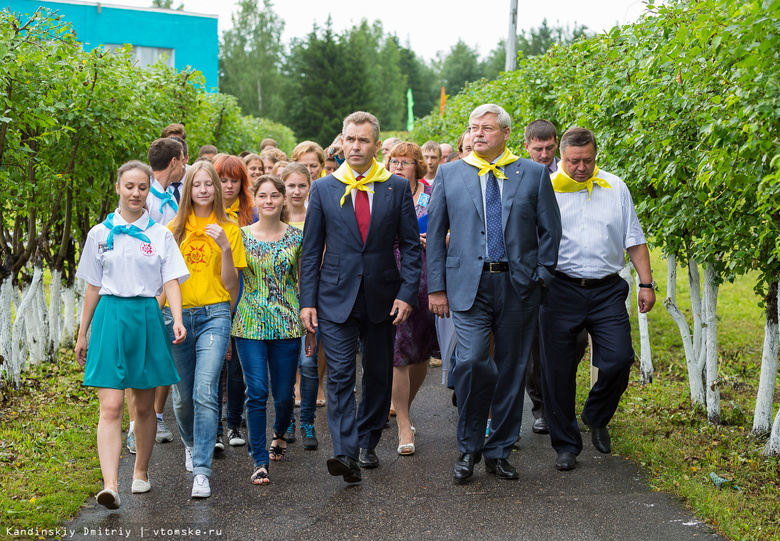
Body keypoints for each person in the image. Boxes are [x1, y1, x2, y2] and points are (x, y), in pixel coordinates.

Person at [427, 103, 561, 482]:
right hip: (468, 286)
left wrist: (542, 274)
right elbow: (435, 234)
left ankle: (499, 450)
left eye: (487, 128)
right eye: (473, 128)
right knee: (471, 362)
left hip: (519, 285)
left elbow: (551, 229)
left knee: (512, 369)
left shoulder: (532, 173)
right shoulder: (450, 174)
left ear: (504, 133)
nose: (478, 134)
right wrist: (436, 287)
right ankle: (469, 447)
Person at [300, 111, 421, 483]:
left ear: (375, 145)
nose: (355, 146)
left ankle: (368, 442)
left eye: (363, 140)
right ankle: (345, 452)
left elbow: (412, 248)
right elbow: (310, 249)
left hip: (384, 297)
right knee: (338, 375)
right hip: (335, 296)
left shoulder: (396, 187)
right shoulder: (323, 188)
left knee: (378, 373)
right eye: (350, 139)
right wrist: (308, 300)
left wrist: (406, 294)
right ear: (341, 140)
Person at [539, 127, 655, 472]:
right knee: (557, 371)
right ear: (561, 157)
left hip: (606, 288)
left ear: (595, 155)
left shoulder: (615, 187)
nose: (580, 167)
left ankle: (596, 414)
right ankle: (565, 445)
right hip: (559, 288)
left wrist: (646, 284)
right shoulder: (545, 188)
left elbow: (634, 238)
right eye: (573, 161)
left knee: (619, 358)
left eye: (587, 160)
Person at [75, 160, 188, 509]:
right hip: (110, 317)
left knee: (142, 407)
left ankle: (140, 470)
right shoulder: (98, 234)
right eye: (129, 186)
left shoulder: (160, 234)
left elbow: (170, 279)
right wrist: (83, 333)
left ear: (147, 190)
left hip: (146, 316)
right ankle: (111, 485)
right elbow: (93, 286)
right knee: (110, 406)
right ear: (118, 188)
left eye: (142, 187)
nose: (136, 193)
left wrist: (178, 318)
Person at [164, 160, 247, 499]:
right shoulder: (172, 230)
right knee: (183, 398)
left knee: (205, 390)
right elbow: (164, 281)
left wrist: (225, 248)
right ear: (188, 189)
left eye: (208, 184)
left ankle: (202, 470)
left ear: (216, 189)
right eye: (196, 184)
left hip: (215, 315)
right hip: (178, 317)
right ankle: (190, 442)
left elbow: (231, 286)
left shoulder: (229, 228)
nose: (202, 190)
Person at [232, 174, 313, 485]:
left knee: (282, 396)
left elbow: (305, 281)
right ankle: (259, 460)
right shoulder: (239, 236)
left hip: (287, 323)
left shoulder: (297, 237)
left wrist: (310, 326)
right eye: (262, 195)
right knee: (256, 392)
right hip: (249, 323)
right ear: (255, 199)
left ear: (282, 200)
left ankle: (280, 431)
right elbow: (231, 281)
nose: (268, 200)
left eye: (274, 195)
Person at [522, 119, 589, 436]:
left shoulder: (570, 176)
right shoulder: (520, 176)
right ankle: (541, 408)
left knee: (575, 340)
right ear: (527, 147)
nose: (545, 154)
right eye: (539, 149)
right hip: (533, 271)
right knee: (535, 342)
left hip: (569, 269)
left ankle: (557, 392)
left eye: (550, 148)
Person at [386, 142, 437, 456]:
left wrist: (437, 238)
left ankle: (404, 403)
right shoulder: (384, 192)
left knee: (421, 351)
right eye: (393, 161)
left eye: (404, 162)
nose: (398, 167)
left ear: (417, 165)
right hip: (393, 274)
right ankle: (404, 421)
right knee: (398, 350)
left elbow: (450, 228)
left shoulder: (434, 194)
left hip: (428, 277)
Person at [213, 155, 257, 450]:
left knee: (238, 367)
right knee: (214, 365)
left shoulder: (251, 214)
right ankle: (213, 428)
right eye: (223, 180)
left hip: (243, 297)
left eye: (234, 180)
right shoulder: (204, 212)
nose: (229, 186)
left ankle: (233, 424)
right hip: (211, 298)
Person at [282, 162, 322, 450]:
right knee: (283, 366)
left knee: (308, 363)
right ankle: (286, 421)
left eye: (301, 186)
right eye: (290, 186)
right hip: (279, 302)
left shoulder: (316, 217)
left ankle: (307, 419)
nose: (296, 191)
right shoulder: (272, 218)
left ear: (310, 186)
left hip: (310, 299)